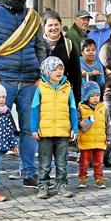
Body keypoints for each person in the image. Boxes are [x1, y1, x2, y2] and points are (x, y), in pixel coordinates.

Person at [0, 0, 47, 189]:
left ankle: (29, 173)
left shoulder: (33, 17)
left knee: (29, 129)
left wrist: (41, 74)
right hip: (3, 80)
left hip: (29, 81)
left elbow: (40, 47)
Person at [30, 56, 78, 199]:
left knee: (62, 162)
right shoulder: (40, 89)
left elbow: (73, 110)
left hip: (63, 131)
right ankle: (43, 186)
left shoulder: (68, 88)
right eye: (55, 69)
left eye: (61, 68)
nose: (59, 72)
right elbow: (34, 109)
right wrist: (34, 128)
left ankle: (61, 185)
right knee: (44, 163)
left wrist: (74, 128)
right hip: (45, 132)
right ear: (46, 71)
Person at [76, 81, 111, 189]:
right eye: (92, 96)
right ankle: (82, 178)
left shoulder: (103, 108)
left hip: (100, 140)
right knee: (84, 162)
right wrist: (81, 124)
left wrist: (109, 136)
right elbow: (77, 123)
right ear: (87, 96)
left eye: (97, 95)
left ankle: (99, 179)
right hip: (86, 140)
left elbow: (108, 123)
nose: (95, 98)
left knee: (98, 162)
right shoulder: (81, 108)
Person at [42, 10, 82, 105]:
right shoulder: (38, 44)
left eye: (56, 24)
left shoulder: (68, 44)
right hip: (43, 94)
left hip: (64, 93)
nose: (54, 28)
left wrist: (76, 98)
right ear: (44, 27)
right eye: (50, 25)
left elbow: (76, 73)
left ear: (60, 25)